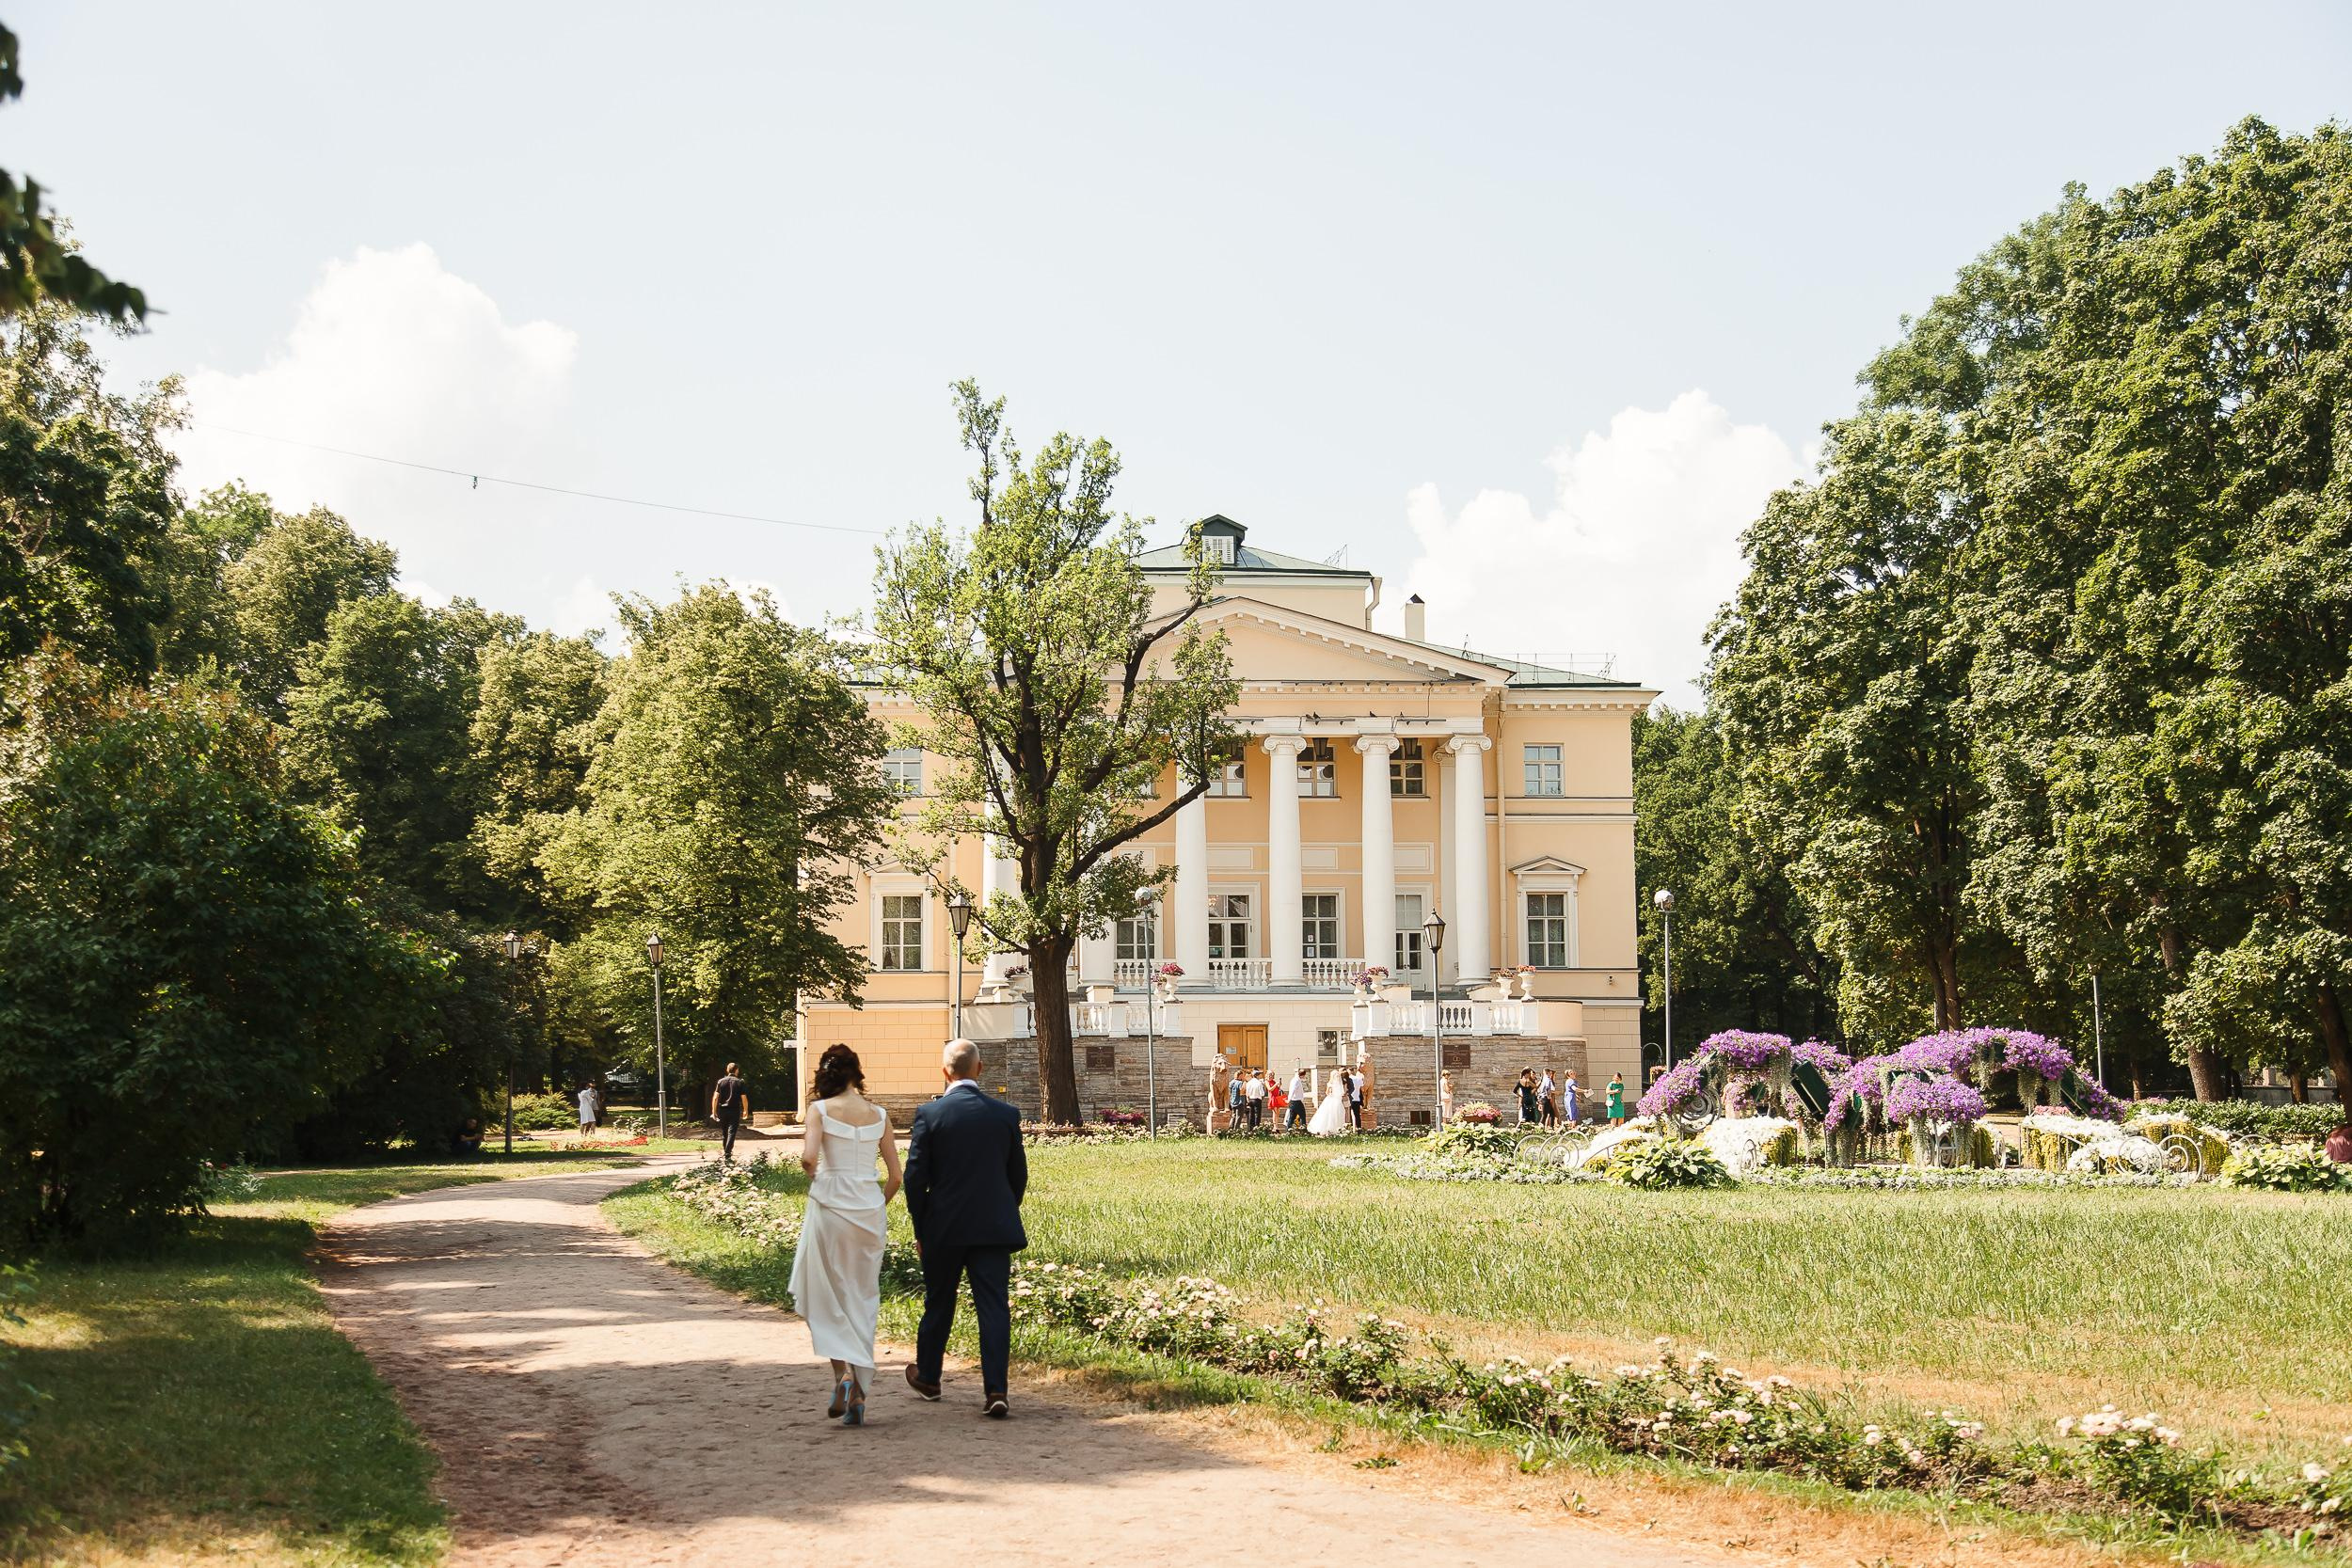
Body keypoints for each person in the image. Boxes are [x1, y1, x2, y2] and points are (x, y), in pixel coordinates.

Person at [903, 1039, 1027, 1419]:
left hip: (944, 1227)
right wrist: (1002, 1208)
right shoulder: (1005, 1115)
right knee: (993, 1306)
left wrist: (921, 1225)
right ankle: (996, 1390)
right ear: (980, 1069)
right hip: (992, 1226)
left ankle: (928, 1377)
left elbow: (914, 1178)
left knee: (939, 1301)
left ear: (945, 1072)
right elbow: (1017, 1176)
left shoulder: (930, 1114)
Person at [789, 1044, 902, 1427]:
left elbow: (808, 1158)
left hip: (830, 1206)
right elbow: (896, 1177)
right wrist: (875, 1204)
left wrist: (821, 1183)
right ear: (858, 1072)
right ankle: (860, 1394)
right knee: (862, 1294)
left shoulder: (819, 1110)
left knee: (828, 1291)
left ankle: (843, 1377)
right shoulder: (880, 1115)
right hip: (868, 1210)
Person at [710, 1061, 751, 1163]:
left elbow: (715, 1097)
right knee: (732, 1132)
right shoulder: (740, 1082)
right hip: (734, 1110)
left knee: (724, 1133)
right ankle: (728, 1153)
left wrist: (713, 1111)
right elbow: (744, 1098)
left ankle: (726, 1152)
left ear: (727, 1070)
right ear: (736, 1070)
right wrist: (746, 1110)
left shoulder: (720, 1081)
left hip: (722, 1110)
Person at [1309, 1064, 1351, 1136]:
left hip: (1330, 1100)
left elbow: (1327, 1092)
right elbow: (1343, 1093)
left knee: (1328, 1115)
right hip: (1337, 1101)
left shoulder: (1330, 1084)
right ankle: (1337, 1129)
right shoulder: (1340, 1084)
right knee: (1336, 1115)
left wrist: (1330, 1093)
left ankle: (1328, 1129)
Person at [1286, 1066, 1313, 1132]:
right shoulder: (1296, 1080)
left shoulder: (1295, 1079)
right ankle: (1303, 1129)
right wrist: (1289, 1099)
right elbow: (1293, 1090)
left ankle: (1289, 1130)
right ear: (1302, 1075)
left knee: (1292, 1117)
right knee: (1302, 1116)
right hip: (1296, 1101)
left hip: (1294, 1101)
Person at [1244, 1068, 1267, 1132]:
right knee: (1257, 1114)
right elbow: (1262, 1093)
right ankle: (1257, 1128)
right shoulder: (1259, 1083)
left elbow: (1247, 1093)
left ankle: (1251, 1129)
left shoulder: (1249, 1083)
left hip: (1251, 1099)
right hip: (1257, 1100)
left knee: (1251, 1114)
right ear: (1258, 1075)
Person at [1347, 1064, 1366, 1130]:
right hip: (1357, 1098)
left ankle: (1351, 1127)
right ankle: (1358, 1127)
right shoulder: (1359, 1079)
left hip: (1349, 1098)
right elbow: (1362, 1087)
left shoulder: (1348, 1079)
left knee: (1349, 1115)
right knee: (1357, 1114)